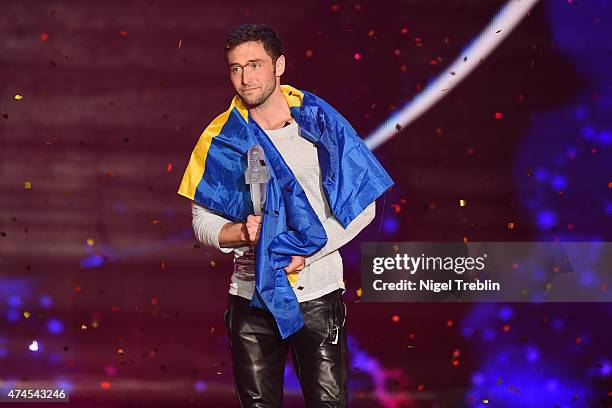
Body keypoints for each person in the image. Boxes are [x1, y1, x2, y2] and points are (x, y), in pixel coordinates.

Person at [178, 24, 393, 408]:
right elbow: (202, 223)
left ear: (279, 65)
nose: (245, 78)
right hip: (251, 299)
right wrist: (241, 231)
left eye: (255, 65)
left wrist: (307, 252)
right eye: (235, 68)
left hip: (318, 295)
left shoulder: (319, 124)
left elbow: (363, 207)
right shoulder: (221, 139)